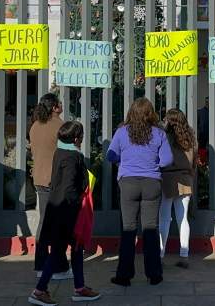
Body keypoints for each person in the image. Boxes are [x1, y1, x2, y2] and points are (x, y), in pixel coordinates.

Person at [29, 121, 101, 305]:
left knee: (76, 250)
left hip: (59, 209)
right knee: (58, 252)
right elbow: (69, 188)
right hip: (67, 212)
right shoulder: (72, 157)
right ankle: (39, 291)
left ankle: (80, 287)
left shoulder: (60, 152)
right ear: (77, 138)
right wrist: (78, 201)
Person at [107, 98, 173, 287]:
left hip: (128, 183)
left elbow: (110, 155)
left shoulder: (121, 132)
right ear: (151, 113)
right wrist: (153, 165)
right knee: (150, 229)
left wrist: (123, 161)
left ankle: (124, 275)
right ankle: (154, 275)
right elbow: (167, 160)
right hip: (152, 183)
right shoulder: (159, 133)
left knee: (128, 230)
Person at [29, 93, 71, 279]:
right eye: (59, 103)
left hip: (39, 178)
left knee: (44, 223)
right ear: (54, 107)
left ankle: (40, 265)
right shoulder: (60, 126)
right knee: (59, 225)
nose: (61, 105)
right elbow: (68, 153)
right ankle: (59, 267)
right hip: (56, 180)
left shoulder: (35, 126)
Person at [158, 108, 196, 269]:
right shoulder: (190, 135)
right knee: (183, 218)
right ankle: (184, 255)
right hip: (186, 178)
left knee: (164, 218)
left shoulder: (164, 136)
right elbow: (194, 159)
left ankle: (160, 255)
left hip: (167, 177)